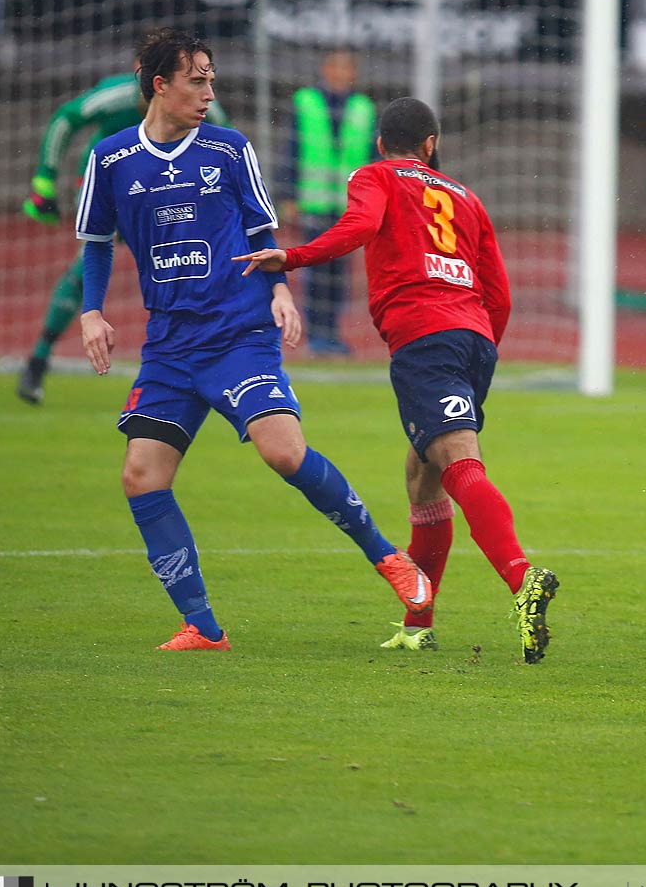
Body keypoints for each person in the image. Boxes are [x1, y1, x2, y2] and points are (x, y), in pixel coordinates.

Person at [73, 29, 431, 651]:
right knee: (141, 474)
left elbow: (264, 227)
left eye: (212, 78)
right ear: (161, 85)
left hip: (238, 332)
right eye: (197, 79)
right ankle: (202, 627)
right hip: (169, 346)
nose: (210, 91)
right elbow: (98, 243)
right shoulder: (110, 160)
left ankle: (387, 557)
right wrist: (91, 312)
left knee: (282, 452)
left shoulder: (230, 150)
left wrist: (281, 292)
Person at [234, 97, 560, 664]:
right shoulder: (467, 197)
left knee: (457, 459)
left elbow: (359, 226)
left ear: (382, 143)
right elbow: (499, 290)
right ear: (431, 144)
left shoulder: (375, 175)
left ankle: (521, 579)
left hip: (423, 337)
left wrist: (291, 258)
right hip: (474, 337)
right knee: (421, 475)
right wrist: (480, 349)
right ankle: (418, 622)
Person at [15, 30, 228, 404]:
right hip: (110, 193)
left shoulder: (203, 109)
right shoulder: (118, 98)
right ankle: (38, 360)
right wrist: (45, 178)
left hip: (169, 194)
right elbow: (66, 119)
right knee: (88, 270)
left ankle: (205, 361)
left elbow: (228, 149)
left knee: (196, 267)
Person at [278, 48, 376, 357]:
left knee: (340, 274)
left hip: (348, 205)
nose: (340, 74)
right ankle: (317, 334)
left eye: (346, 68)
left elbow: (372, 156)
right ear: (325, 70)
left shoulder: (364, 107)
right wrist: (287, 195)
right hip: (314, 201)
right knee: (316, 270)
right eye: (336, 67)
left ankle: (332, 333)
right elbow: (291, 148)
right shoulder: (306, 102)